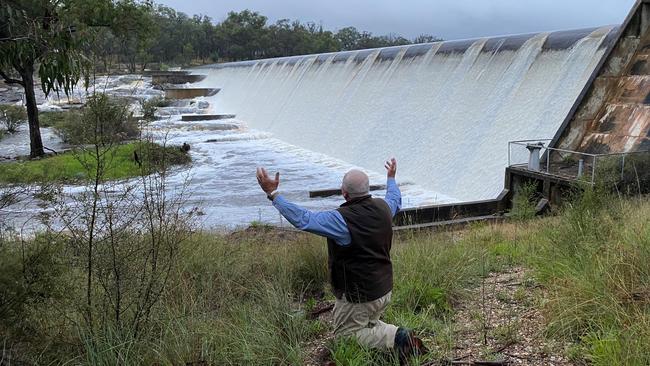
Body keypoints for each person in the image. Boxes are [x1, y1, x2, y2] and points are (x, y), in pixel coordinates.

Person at [255, 158, 426, 361]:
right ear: (367, 190)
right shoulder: (384, 208)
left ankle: (398, 337)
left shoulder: (340, 220)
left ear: (344, 193)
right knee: (368, 322)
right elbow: (395, 198)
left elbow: (304, 219)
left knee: (346, 337)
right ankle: (386, 343)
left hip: (360, 296)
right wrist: (391, 179)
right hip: (384, 289)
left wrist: (273, 194)